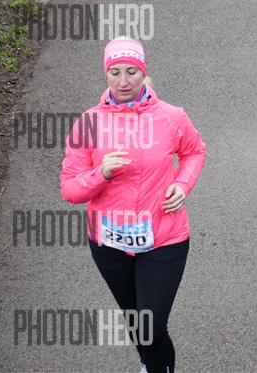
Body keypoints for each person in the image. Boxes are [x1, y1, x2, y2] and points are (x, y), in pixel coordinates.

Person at [60, 37, 206, 373]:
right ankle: (151, 365)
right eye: (115, 72)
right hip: (109, 244)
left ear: (144, 73)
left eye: (131, 72)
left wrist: (182, 184)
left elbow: (195, 151)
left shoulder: (171, 117)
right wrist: (101, 173)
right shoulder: (88, 123)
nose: (123, 81)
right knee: (137, 323)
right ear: (106, 75)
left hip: (164, 238)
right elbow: (70, 189)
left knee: (150, 325)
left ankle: (154, 365)